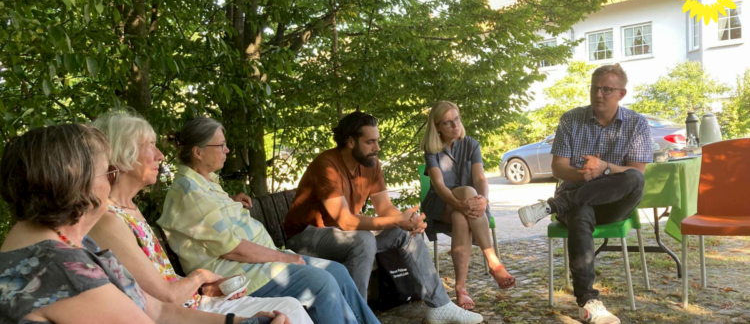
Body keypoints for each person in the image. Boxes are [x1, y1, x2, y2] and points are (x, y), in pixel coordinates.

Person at [0, 124, 283, 324]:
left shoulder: (68, 244)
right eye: (108, 172)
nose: (112, 181)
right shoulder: (61, 269)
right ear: (77, 184)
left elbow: (158, 311)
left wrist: (238, 322)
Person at [88, 111, 312, 324]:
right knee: (288, 310)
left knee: (290, 307)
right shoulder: (108, 220)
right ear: (122, 153)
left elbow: (159, 284)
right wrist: (200, 277)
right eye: (150, 146)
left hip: (193, 302)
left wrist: (206, 290)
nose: (161, 155)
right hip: (179, 313)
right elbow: (164, 300)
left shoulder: (129, 209)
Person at [157, 117, 379, 324]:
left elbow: (208, 219)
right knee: (322, 284)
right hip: (237, 275)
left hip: (258, 265)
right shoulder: (189, 190)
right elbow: (232, 249)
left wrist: (232, 202)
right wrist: (284, 258)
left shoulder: (204, 184)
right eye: (221, 145)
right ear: (198, 152)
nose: (227, 150)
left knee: (337, 271)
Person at [284, 111, 484, 324]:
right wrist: (397, 220)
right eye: (370, 142)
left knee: (405, 233)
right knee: (363, 239)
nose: (377, 148)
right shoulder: (327, 165)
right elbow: (346, 221)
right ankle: (353, 317)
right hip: (305, 237)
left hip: (341, 235)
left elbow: (385, 207)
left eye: (377, 141)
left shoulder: (371, 164)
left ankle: (440, 306)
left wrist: (407, 221)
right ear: (350, 141)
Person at [517, 64, 651, 324]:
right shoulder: (571, 119)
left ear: (621, 94)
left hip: (615, 204)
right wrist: (585, 174)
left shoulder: (637, 123)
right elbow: (558, 168)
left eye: (607, 89)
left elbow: (636, 173)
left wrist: (604, 168)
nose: (599, 94)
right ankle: (588, 303)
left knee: (634, 178)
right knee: (580, 212)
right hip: (578, 203)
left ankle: (553, 205)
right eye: (594, 88)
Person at [419, 101, 516, 310]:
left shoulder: (471, 144)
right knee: (466, 194)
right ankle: (493, 261)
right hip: (440, 203)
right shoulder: (431, 149)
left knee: (461, 215)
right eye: (447, 123)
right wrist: (458, 203)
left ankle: (460, 288)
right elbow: (438, 184)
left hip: (469, 208)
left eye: (457, 119)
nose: (455, 126)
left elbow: (480, 178)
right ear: (437, 128)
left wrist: (484, 199)